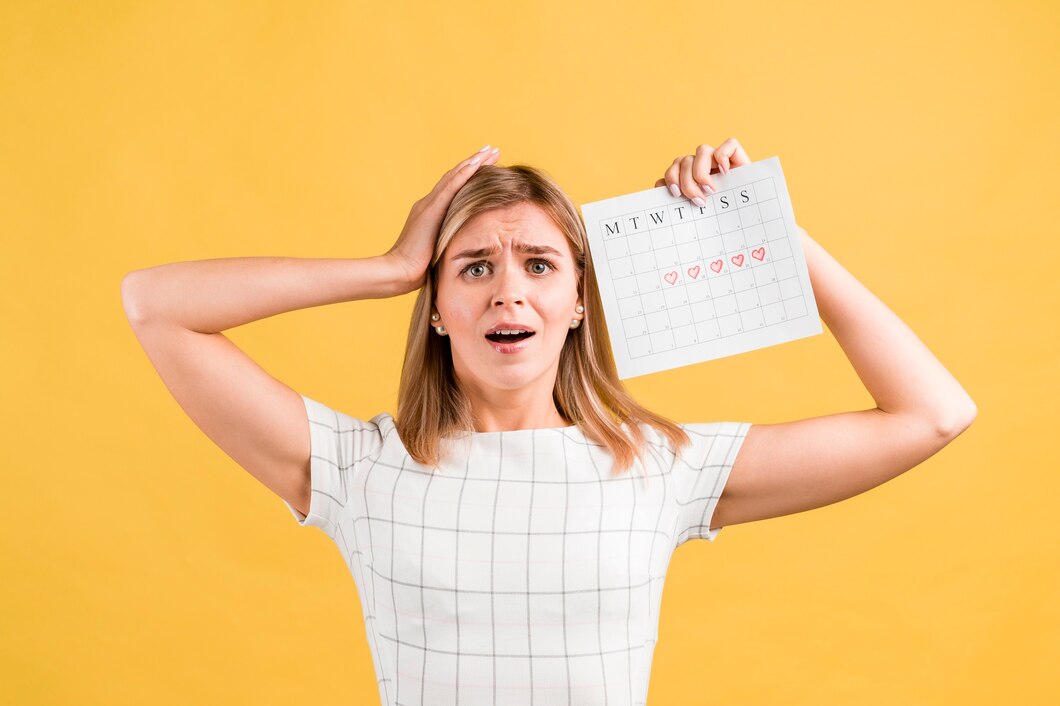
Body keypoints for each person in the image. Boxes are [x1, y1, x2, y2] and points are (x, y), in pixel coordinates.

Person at [121, 138, 976, 706]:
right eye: (474, 268)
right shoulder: (359, 469)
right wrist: (387, 269)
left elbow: (933, 413)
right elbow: (155, 306)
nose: (508, 292)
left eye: (539, 265)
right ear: (438, 309)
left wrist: (764, 221)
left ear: (575, 303)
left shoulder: (660, 467)